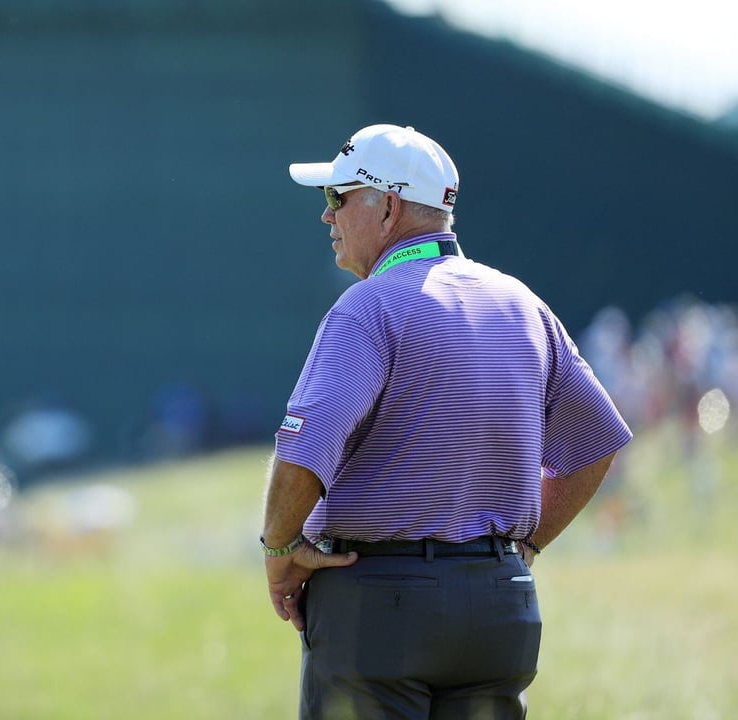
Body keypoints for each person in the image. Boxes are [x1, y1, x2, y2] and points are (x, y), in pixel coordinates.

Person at [260, 124, 632, 719]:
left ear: (388, 207)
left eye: (338, 197)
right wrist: (524, 546)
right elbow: (597, 445)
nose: (327, 216)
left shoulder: (367, 306)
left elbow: (305, 452)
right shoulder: (521, 302)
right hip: (498, 608)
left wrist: (280, 549)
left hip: (380, 606)